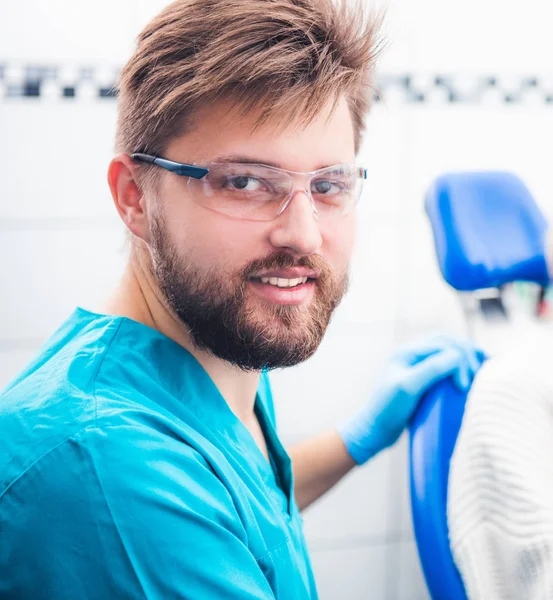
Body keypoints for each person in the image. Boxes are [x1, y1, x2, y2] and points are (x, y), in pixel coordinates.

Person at [0, 0, 484, 597]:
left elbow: (229, 508)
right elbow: (156, 510)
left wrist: (354, 441)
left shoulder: (210, 349)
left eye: (328, 185)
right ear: (135, 198)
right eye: (245, 182)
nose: (303, 234)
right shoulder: (106, 467)